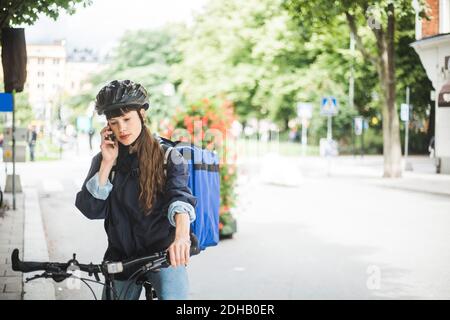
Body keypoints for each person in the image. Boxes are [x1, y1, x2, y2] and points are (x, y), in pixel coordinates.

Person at [75, 80, 197, 300]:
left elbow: (180, 200)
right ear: (107, 127)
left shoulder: (168, 156)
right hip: (121, 257)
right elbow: (91, 209)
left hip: (163, 255)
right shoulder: (104, 159)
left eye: (127, 119)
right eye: (114, 122)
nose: (121, 128)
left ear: (142, 115)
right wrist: (106, 163)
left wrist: (181, 239)